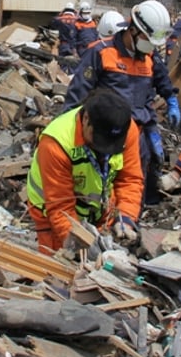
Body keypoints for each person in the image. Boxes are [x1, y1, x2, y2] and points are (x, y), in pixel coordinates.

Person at [64, 0, 180, 204]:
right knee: (102, 186)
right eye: (147, 38)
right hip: (106, 134)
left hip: (138, 133)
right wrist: (70, 135)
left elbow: (162, 81)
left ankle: (131, 221)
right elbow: (77, 93)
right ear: (133, 30)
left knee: (135, 184)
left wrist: (171, 100)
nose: (150, 45)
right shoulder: (102, 52)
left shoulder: (149, 57)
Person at [26, 90, 143, 253]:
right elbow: (60, 208)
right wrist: (82, 245)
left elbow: (130, 179)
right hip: (53, 215)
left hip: (98, 210)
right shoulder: (56, 144)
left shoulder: (126, 129)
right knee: (57, 268)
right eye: (100, 140)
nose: (104, 148)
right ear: (86, 119)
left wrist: (125, 219)